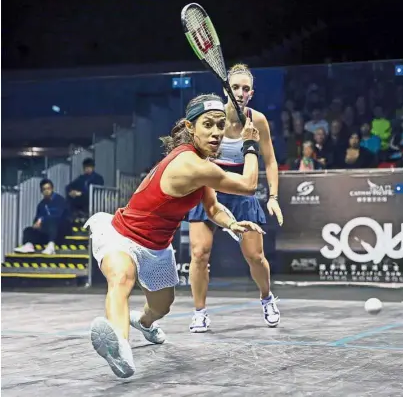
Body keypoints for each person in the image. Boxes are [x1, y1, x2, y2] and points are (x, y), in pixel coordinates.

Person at [85, 93, 264, 378]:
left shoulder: (201, 165)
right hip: (123, 236)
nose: (216, 132)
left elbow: (214, 207)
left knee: (161, 306)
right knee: (121, 279)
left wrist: (231, 224)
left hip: (157, 249)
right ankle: (120, 348)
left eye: (220, 125)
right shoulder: (190, 165)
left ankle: (143, 323)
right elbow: (249, 184)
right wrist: (251, 144)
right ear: (191, 127)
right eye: (208, 125)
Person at [187, 64, 284, 334]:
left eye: (245, 88)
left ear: (251, 94)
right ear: (225, 89)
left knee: (255, 256)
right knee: (199, 253)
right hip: (209, 189)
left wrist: (274, 196)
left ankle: (266, 298)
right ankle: (199, 312)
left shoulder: (258, 121)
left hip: (242, 190)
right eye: (235, 87)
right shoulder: (210, 118)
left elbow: (271, 161)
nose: (240, 92)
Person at [14, 179, 71, 255]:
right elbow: (37, 218)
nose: (47, 191)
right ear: (41, 191)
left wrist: (42, 220)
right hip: (47, 231)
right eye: (44, 189)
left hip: (61, 229)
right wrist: (36, 224)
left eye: (48, 188)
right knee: (28, 230)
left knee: (52, 221)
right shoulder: (41, 204)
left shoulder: (60, 200)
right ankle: (29, 245)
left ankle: (51, 246)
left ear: (52, 189)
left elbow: (59, 216)